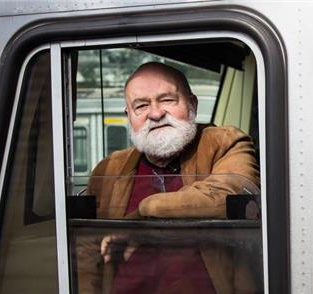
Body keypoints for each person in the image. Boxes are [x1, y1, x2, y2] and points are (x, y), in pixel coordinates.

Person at [76, 62, 260, 294]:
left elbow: (229, 194)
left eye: (167, 100)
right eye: (141, 106)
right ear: (129, 116)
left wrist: (138, 220)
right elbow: (87, 258)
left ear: (192, 104)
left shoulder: (225, 144)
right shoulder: (108, 170)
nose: (155, 113)